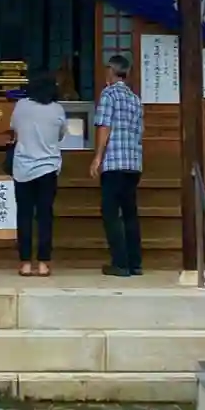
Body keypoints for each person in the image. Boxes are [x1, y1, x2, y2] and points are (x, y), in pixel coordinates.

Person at [9, 70, 69, 276]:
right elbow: (61, 135)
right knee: (45, 215)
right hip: (48, 168)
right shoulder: (57, 109)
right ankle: (43, 263)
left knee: (24, 215)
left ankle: (25, 263)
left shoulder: (21, 106)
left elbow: (14, 129)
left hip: (23, 168)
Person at [90, 51, 144, 277]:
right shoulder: (135, 99)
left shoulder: (109, 94)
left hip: (114, 162)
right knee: (130, 213)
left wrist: (98, 157)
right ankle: (135, 262)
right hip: (133, 162)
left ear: (111, 71)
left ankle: (120, 263)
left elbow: (104, 127)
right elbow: (139, 132)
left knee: (111, 213)